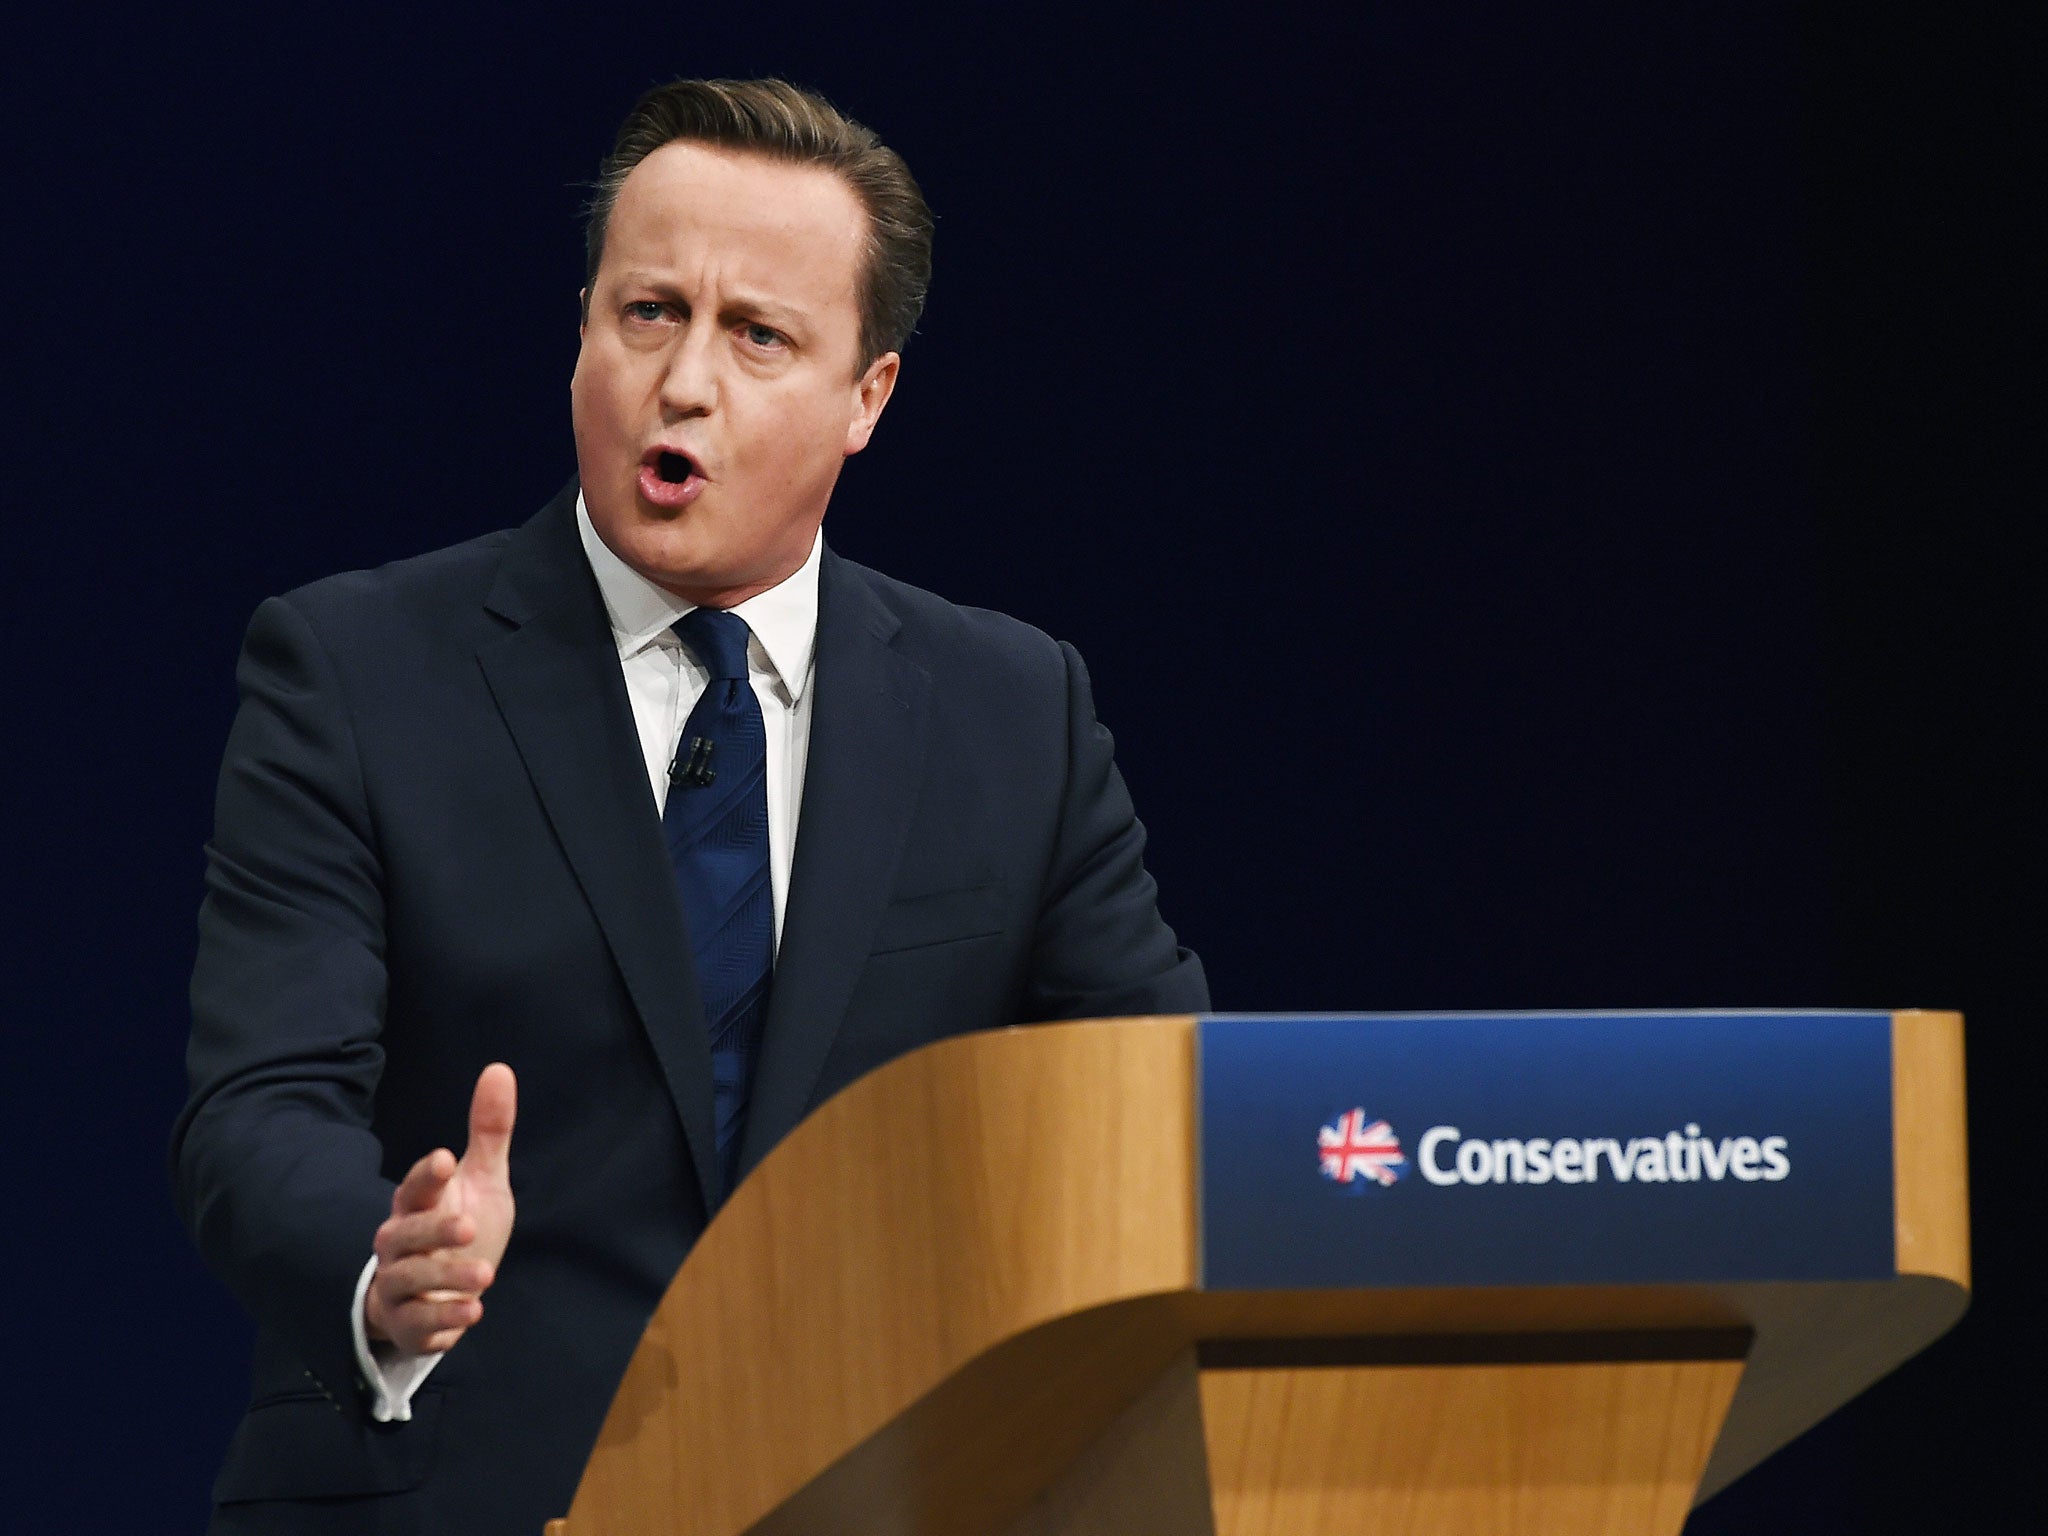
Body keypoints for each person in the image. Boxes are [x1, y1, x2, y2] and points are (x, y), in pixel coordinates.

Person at [173, 77, 1206, 1535]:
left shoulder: (1011, 712)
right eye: (647, 313)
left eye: (758, 335)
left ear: (869, 396)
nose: (685, 383)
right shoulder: (353, 672)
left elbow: (1161, 1117)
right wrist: (385, 1266)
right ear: (583, 327)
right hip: (459, 1490)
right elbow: (257, 1106)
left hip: (885, 1493)